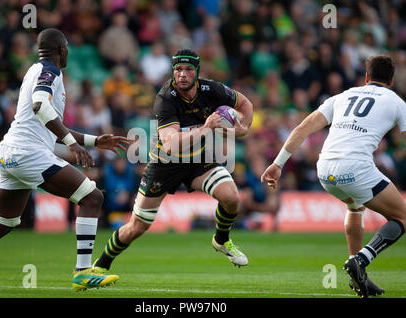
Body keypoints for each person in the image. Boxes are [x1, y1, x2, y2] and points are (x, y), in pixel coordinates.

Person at [0, 28, 132, 293]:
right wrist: (73, 145)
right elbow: (40, 105)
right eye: (68, 47)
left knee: (3, 223)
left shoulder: (34, 71)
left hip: (9, 152)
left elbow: (49, 123)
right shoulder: (51, 70)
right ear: (62, 50)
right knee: (92, 197)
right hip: (28, 153)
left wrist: (94, 141)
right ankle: (83, 271)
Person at [91, 49, 254, 274]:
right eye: (178, 69)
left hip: (198, 160)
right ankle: (100, 265)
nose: (183, 74)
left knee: (232, 197)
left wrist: (243, 127)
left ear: (197, 72)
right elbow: (170, 145)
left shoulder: (212, 89)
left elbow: (245, 104)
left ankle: (221, 239)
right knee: (137, 227)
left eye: (188, 69)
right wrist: (206, 128)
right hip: (164, 165)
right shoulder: (165, 98)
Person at [261, 55, 405, 298]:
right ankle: (362, 258)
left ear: (366, 77)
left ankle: (359, 276)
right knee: (402, 217)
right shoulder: (397, 102)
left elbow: (302, 127)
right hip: (356, 168)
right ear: (391, 80)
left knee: (354, 207)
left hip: (325, 170)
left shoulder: (342, 96)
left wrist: (277, 163)